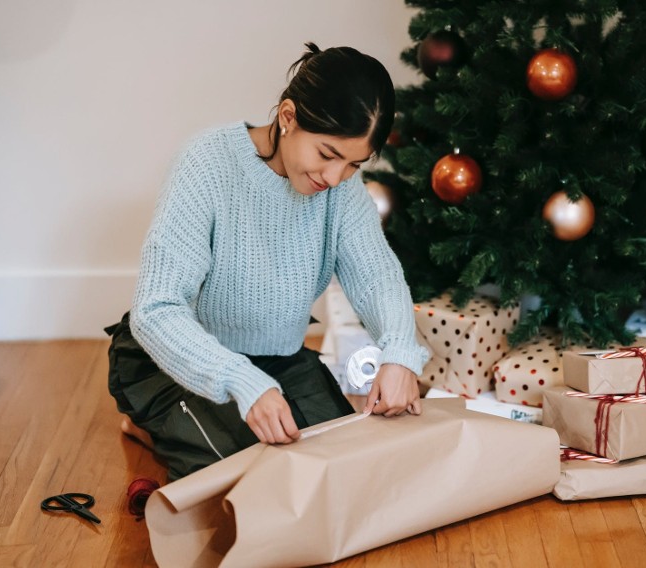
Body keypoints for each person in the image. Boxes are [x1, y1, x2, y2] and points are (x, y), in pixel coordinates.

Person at [106, 43, 429, 481]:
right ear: (288, 117)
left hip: (278, 357)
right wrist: (242, 381)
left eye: (354, 164)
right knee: (248, 479)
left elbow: (377, 275)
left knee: (345, 465)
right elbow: (155, 311)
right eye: (328, 154)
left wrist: (400, 353)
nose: (334, 178)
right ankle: (152, 421)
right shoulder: (206, 164)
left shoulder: (339, 189)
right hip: (177, 357)